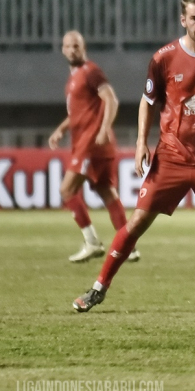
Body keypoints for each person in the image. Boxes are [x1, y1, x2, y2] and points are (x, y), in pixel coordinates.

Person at [72, 0, 195, 313]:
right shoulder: (164, 58)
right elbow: (148, 102)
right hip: (172, 156)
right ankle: (98, 288)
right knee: (138, 221)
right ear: (183, 20)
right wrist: (141, 142)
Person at [49, 31, 139, 264]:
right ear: (62, 50)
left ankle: (92, 242)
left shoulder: (90, 72)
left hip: (91, 143)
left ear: (84, 47)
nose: (72, 50)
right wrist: (61, 129)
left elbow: (111, 99)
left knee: (67, 190)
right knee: (106, 191)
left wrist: (103, 128)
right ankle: (129, 247)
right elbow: (79, 113)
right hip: (94, 143)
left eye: (76, 46)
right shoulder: (75, 78)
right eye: (68, 46)